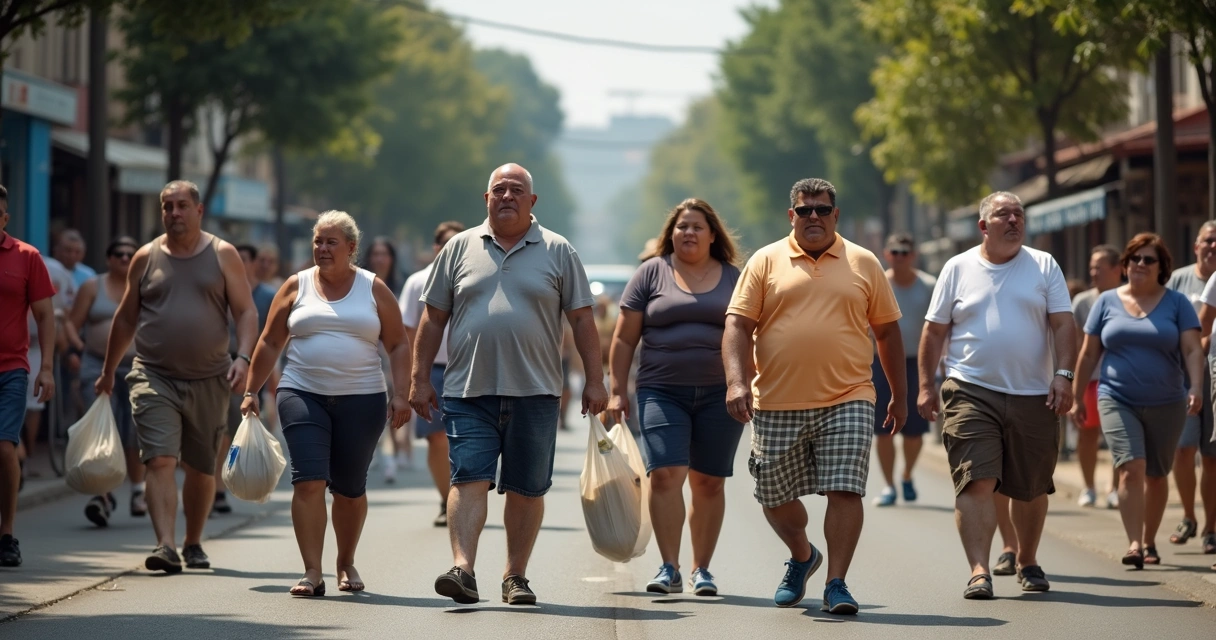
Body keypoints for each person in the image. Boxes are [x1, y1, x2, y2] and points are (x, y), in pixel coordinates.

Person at [410, 163, 606, 606]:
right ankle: (463, 568)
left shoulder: (559, 250)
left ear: (532, 201)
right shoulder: (458, 248)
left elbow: (581, 319)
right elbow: (433, 317)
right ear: (486, 199)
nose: (507, 196)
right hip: (468, 389)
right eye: (498, 189)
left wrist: (595, 380)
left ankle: (515, 576)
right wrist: (419, 378)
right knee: (468, 478)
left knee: (526, 488)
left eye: (516, 190)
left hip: (536, 391)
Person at [723, 178, 905, 614]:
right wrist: (736, 381)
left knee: (845, 489)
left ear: (835, 215)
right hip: (776, 400)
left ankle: (836, 583)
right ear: (792, 216)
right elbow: (737, 325)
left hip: (849, 395)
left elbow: (886, 332)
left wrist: (899, 393)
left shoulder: (864, 262)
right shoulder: (765, 261)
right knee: (772, 494)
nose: (814, 218)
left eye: (822, 210)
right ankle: (803, 555)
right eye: (805, 211)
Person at [241, 210, 411, 597]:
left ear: (351, 247)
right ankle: (312, 571)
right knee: (309, 480)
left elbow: (399, 344)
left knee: (349, 489)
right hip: (302, 392)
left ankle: (345, 561)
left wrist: (402, 393)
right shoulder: (296, 285)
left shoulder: (373, 287)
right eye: (318, 241)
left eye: (331, 242)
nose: (322, 248)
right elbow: (270, 341)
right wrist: (251, 391)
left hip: (362, 399)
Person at [94, 180, 259, 574]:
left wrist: (243, 357)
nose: (174, 213)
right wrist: (107, 372)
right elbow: (126, 319)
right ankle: (165, 545)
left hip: (210, 377)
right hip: (153, 374)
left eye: (182, 205)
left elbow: (246, 312)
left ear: (199, 210)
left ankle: (192, 541)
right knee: (161, 459)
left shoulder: (223, 254)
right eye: (167, 206)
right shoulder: (145, 256)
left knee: (201, 468)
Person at [918, 191, 1075, 599]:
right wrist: (926, 385)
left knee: (1032, 486)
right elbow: (934, 330)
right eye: (1004, 214)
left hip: (1034, 393)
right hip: (970, 389)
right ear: (983, 226)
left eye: (1019, 214)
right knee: (977, 480)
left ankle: (1027, 559)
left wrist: (1064, 375)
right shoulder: (957, 267)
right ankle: (979, 570)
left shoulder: (1044, 265)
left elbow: (1063, 324)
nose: (1014, 220)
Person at [608, 198, 744, 596]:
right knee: (665, 474)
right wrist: (616, 391)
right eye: (682, 226)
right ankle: (670, 567)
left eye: (697, 226)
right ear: (671, 234)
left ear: (713, 235)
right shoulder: (651, 273)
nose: (689, 233)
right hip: (661, 391)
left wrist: (748, 383)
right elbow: (624, 337)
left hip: (720, 394)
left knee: (709, 482)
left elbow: (750, 334)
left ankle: (703, 569)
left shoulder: (734, 277)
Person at [1073, 233, 1204, 568]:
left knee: (1156, 475)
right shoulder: (1106, 302)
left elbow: (1192, 349)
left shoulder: (1177, 303)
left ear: (1162, 267)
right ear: (1125, 264)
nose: (1140, 264)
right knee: (1131, 468)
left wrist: (1196, 387)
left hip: (1168, 400)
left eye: (1148, 259)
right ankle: (1134, 543)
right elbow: (1088, 354)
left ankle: (1149, 540)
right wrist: (1077, 396)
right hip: (1116, 396)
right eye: (1134, 258)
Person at [0, 184, 57, 567]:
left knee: (4, 447)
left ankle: (6, 534)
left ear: (5, 218)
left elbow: (46, 316)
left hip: (11, 369)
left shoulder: (27, 256)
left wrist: (47, 368)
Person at [71, 236, 146, 526]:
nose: (125, 258)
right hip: (97, 366)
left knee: (136, 430)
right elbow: (72, 324)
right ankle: (101, 495)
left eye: (130, 253)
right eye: (118, 253)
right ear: (108, 258)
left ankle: (138, 490)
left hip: (138, 367)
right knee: (103, 428)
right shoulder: (92, 286)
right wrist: (76, 351)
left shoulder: (147, 286)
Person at [400, 221, 465, 527]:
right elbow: (409, 332)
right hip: (433, 372)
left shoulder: (475, 277)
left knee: (466, 440)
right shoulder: (418, 282)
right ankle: (446, 500)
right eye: (446, 244)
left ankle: (464, 499)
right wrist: (413, 377)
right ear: (436, 248)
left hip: (468, 371)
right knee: (437, 439)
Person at [213, 244, 278, 515]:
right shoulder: (216, 290)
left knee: (232, 430)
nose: (237, 263)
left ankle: (232, 482)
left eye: (243, 259)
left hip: (249, 370)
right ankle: (215, 489)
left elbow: (274, 342)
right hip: (213, 367)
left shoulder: (268, 297)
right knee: (216, 432)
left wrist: (272, 384)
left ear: (252, 263)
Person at [872, 233, 936, 507]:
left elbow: (938, 328)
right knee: (882, 428)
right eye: (894, 252)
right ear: (887, 254)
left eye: (904, 252)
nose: (899, 257)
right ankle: (889, 486)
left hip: (916, 363)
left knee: (915, 430)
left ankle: (907, 474)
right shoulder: (878, 283)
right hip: (881, 363)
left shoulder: (929, 286)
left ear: (913, 255)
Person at [1166, 221, 1216, 550]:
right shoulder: (1178, 280)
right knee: (1183, 449)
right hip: (1183, 378)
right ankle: (1188, 516)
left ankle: (1211, 527)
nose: (1213, 246)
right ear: (1196, 246)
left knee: (1212, 456)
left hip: (1214, 376)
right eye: (1208, 240)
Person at [1071, 245, 1124, 510]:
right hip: (1090, 379)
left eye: (1099, 267)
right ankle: (1089, 487)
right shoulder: (1082, 302)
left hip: (1120, 379)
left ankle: (1114, 488)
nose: (1093, 272)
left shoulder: (1129, 298)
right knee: (1087, 434)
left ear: (1117, 269)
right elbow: (1075, 344)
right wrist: (1072, 384)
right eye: (1091, 267)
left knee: (1118, 435)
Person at [361, 236, 412, 480]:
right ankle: (376, 453)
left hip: (394, 357)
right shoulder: (358, 285)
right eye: (375, 254)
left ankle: (392, 455)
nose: (379, 259)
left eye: (384, 254)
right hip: (366, 356)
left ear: (392, 258)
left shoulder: (402, 286)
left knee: (393, 406)